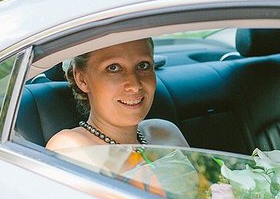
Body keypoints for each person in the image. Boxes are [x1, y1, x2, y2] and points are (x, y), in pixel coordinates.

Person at [45, 38, 188, 151]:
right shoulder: (70, 147)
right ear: (82, 79)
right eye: (113, 68)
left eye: (143, 65)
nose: (135, 85)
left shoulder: (165, 131)